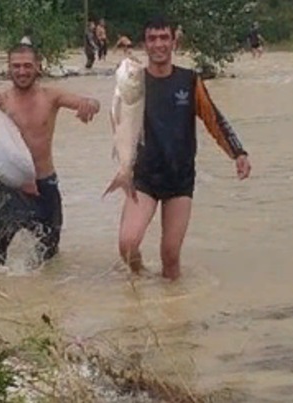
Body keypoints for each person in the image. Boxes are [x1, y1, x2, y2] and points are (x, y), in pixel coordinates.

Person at [116, 15, 252, 281]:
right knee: (127, 244)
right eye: (152, 39)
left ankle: (175, 314)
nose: (158, 44)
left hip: (179, 179)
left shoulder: (189, 81)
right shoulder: (133, 81)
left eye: (164, 38)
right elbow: (119, 122)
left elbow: (215, 119)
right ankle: (139, 278)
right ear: (145, 44)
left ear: (173, 42)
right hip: (144, 177)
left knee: (170, 255)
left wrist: (238, 152)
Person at [0, 44, 100, 267]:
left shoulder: (51, 96)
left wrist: (90, 105)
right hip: (10, 188)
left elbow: (91, 102)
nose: (22, 71)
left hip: (45, 186)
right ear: (8, 68)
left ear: (38, 66)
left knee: (49, 259)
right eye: (16, 66)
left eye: (27, 65)